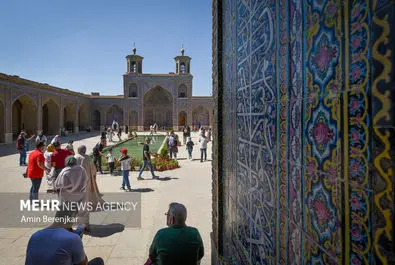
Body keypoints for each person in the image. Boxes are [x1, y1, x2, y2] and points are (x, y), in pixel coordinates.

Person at [25, 209, 105, 265]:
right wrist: (78, 243)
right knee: (98, 261)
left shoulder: (34, 236)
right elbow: (83, 263)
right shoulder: (72, 239)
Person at [54, 156, 89, 225]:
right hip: (80, 195)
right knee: (81, 211)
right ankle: (83, 225)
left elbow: (57, 184)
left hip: (67, 197)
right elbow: (86, 180)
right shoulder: (81, 169)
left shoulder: (64, 171)